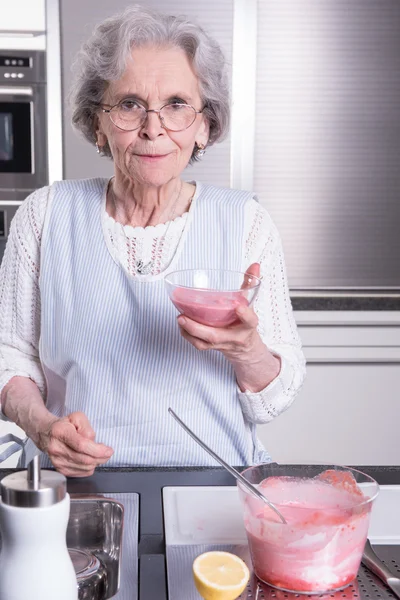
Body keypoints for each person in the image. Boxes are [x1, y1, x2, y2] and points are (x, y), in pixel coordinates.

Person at [0, 5, 306, 477]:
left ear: (204, 125)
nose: (153, 127)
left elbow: (275, 399)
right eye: (129, 104)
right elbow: (11, 358)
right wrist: (41, 426)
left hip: (215, 482)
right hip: (80, 488)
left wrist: (248, 349)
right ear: (98, 122)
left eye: (177, 104)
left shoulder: (246, 222)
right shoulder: (44, 215)